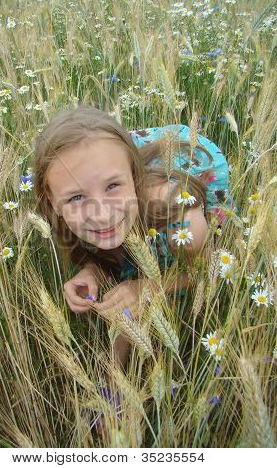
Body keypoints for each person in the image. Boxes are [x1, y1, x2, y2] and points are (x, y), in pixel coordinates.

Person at [33, 105, 235, 434]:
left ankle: (111, 385)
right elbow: (94, 253)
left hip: (187, 160)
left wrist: (150, 287)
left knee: (136, 287)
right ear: (51, 202)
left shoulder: (178, 218)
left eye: (113, 186)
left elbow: (211, 266)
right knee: (126, 290)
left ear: (135, 178)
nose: (101, 214)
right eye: (76, 197)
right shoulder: (65, 218)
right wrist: (90, 272)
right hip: (122, 165)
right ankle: (111, 388)